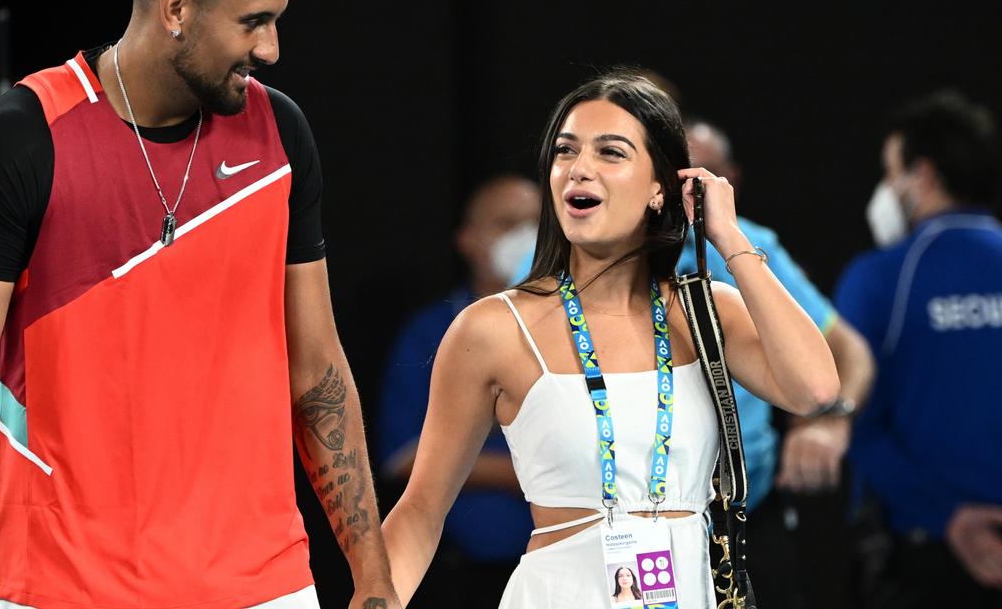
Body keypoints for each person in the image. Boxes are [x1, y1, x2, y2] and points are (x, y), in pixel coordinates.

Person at [0, 0, 399, 609]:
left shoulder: (281, 135)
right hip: (64, 587)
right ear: (176, 9)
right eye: (252, 23)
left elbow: (319, 370)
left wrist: (373, 575)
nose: (270, 50)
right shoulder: (22, 139)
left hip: (263, 586)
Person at [381, 72, 839, 607]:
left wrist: (728, 238)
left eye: (611, 153)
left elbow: (814, 388)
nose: (579, 168)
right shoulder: (493, 328)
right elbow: (420, 510)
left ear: (660, 186)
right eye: (565, 151)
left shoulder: (707, 310)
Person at [679, 119, 875, 603]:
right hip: (627, 520)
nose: (687, 182)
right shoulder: (567, 259)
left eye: (701, 174)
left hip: (745, 513)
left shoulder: (745, 244)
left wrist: (833, 421)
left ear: (728, 183)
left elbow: (844, 356)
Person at [835, 89, 1002, 605]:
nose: (887, 190)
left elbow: (851, 416)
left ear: (922, 175)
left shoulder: (883, 276)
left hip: (925, 555)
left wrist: (945, 516)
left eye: (891, 173)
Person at [378, 175, 538, 607]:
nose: (527, 236)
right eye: (508, 224)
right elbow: (403, 460)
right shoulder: (432, 332)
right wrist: (537, 475)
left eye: (538, 223)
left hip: (554, 571)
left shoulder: (575, 330)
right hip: (456, 575)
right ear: (468, 240)